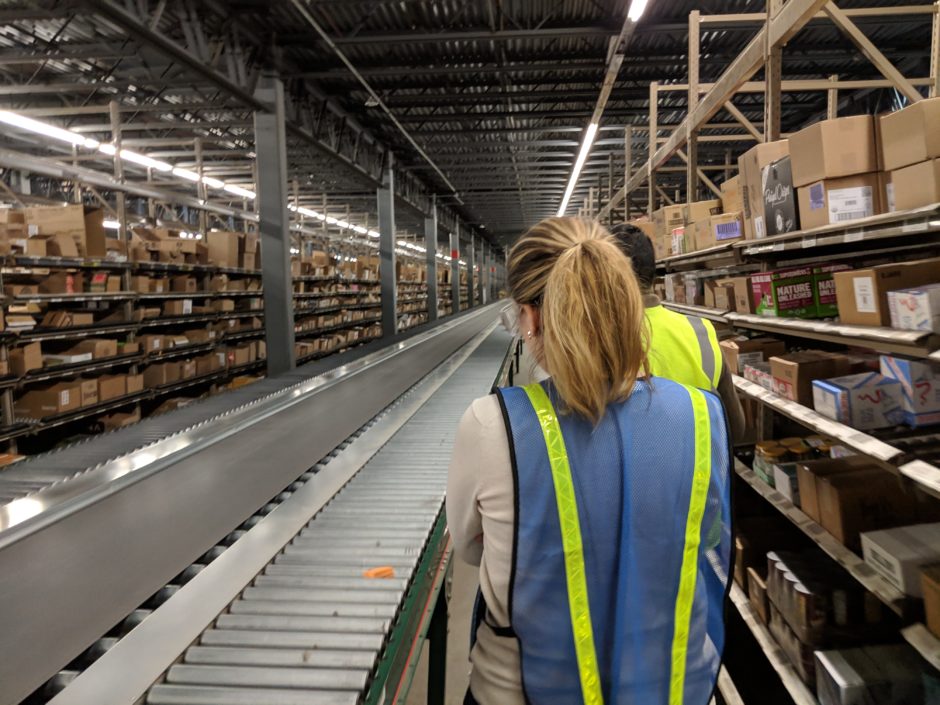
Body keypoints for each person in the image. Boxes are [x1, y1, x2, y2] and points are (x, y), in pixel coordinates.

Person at [447, 217, 732, 705]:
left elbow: (475, 550)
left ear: (530, 319)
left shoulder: (490, 424)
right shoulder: (704, 417)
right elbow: (707, 540)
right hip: (673, 689)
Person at [610, 223, 746, 440]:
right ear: (653, 273)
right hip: (701, 470)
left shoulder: (600, 339)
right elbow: (735, 429)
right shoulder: (700, 330)